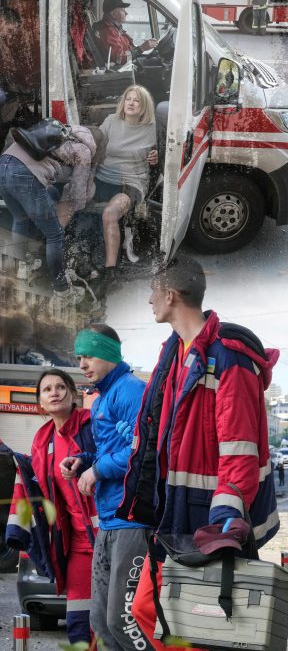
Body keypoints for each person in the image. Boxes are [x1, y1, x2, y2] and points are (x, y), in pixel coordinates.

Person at [117, 256, 280, 650]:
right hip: (175, 514)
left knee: (196, 626)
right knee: (151, 611)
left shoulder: (227, 355)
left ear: (171, 295)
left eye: (152, 291)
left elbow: (239, 448)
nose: (149, 301)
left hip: (209, 521)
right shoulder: (174, 353)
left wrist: (226, 517)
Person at [61, 325, 149, 650]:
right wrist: (83, 461)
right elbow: (109, 449)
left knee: (123, 621)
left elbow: (143, 450)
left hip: (131, 520)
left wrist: (97, 470)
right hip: (109, 519)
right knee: (100, 622)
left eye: (89, 356)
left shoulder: (130, 391)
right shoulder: (100, 399)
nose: (82, 364)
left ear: (110, 353)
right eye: (79, 357)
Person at [6, 369, 97, 646]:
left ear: (72, 394)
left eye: (60, 387)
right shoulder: (41, 439)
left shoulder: (91, 425)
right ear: (41, 403)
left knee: (114, 618)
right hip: (78, 543)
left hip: (108, 534)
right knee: (79, 620)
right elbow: (35, 486)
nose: (54, 392)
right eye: (47, 390)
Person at [0, 119, 106, 303]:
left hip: (3, 168)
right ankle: (61, 290)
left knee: (21, 220)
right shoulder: (84, 150)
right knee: (55, 234)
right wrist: (81, 204)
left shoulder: (55, 129)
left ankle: (23, 266)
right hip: (25, 176)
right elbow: (77, 192)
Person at [95, 85, 158, 292]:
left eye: (136, 101)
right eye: (128, 99)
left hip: (131, 181)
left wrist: (155, 158)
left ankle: (110, 271)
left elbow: (156, 156)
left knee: (110, 213)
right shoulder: (111, 121)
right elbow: (94, 143)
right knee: (69, 200)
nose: (130, 103)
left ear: (144, 106)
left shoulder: (150, 128)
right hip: (104, 177)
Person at [94, 0, 158, 67]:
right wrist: (142, 48)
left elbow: (125, 50)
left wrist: (143, 51)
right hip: (124, 68)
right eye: (122, 10)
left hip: (129, 63)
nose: (126, 13)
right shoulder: (108, 31)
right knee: (156, 62)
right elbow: (120, 59)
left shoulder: (114, 28)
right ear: (113, 14)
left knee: (154, 58)